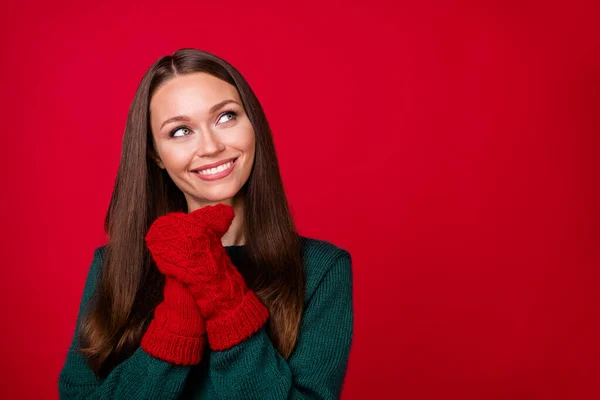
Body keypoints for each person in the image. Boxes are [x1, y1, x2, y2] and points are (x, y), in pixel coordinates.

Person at [58, 48, 354, 399]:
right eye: (181, 130)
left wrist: (220, 291)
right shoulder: (114, 265)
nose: (211, 146)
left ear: (253, 125)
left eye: (226, 117)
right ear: (156, 155)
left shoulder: (320, 269)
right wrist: (174, 330)